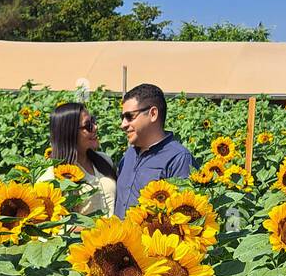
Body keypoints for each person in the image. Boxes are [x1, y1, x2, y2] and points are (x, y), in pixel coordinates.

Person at [114, 82, 195, 217]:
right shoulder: (129, 155)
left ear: (153, 114)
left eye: (129, 116)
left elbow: (184, 215)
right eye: (122, 118)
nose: (123, 124)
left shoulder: (178, 158)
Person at [41, 101, 117, 215]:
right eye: (88, 126)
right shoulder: (51, 177)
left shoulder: (105, 160)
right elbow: (56, 226)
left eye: (94, 121)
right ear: (69, 133)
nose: (96, 127)